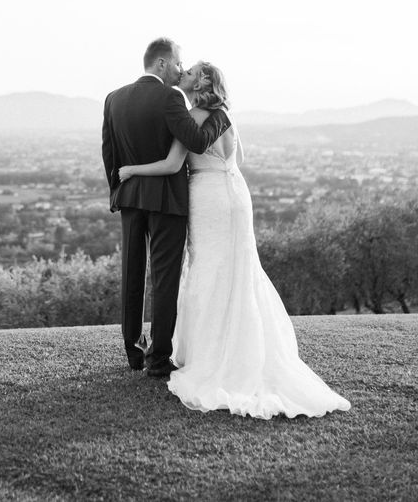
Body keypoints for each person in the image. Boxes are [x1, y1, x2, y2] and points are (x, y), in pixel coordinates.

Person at [119, 61, 351, 418]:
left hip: (208, 197)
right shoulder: (226, 115)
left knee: (210, 269)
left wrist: (131, 169)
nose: (186, 71)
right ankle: (246, 350)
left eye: (192, 70)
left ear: (204, 81)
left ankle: (211, 356)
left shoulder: (193, 116)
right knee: (239, 270)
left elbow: (170, 165)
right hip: (236, 194)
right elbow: (238, 158)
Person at [102, 38, 232, 378]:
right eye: (177, 63)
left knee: (131, 272)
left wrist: (117, 192)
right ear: (162, 64)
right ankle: (158, 358)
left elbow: (109, 153)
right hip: (166, 200)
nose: (180, 69)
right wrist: (220, 114)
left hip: (130, 197)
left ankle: (133, 350)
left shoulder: (113, 99)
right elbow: (194, 139)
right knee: (165, 277)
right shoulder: (170, 97)